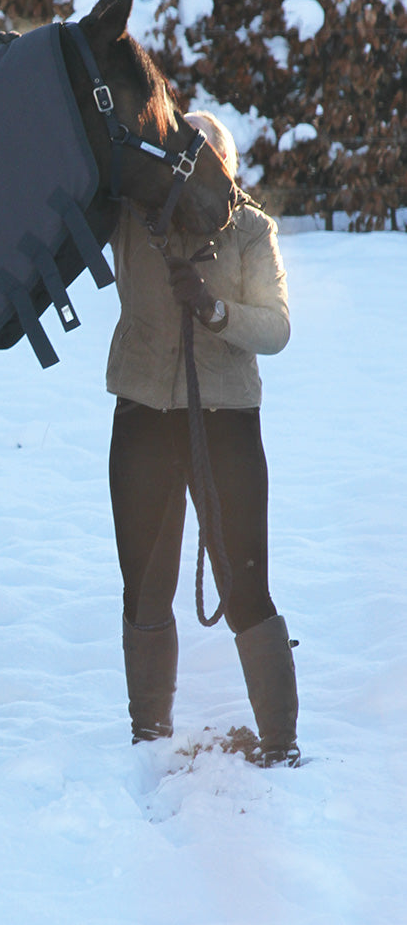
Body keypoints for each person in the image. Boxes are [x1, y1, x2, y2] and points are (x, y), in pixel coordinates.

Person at [106, 111, 300, 766]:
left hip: (226, 420)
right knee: (145, 584)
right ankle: (148, 739)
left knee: (246, 584)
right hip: (143, 414)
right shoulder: (132, 216)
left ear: (225, 167)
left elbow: (275, 328)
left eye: (203, 158)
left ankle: (280, 742)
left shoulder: (251, 230)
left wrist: (217, 312)